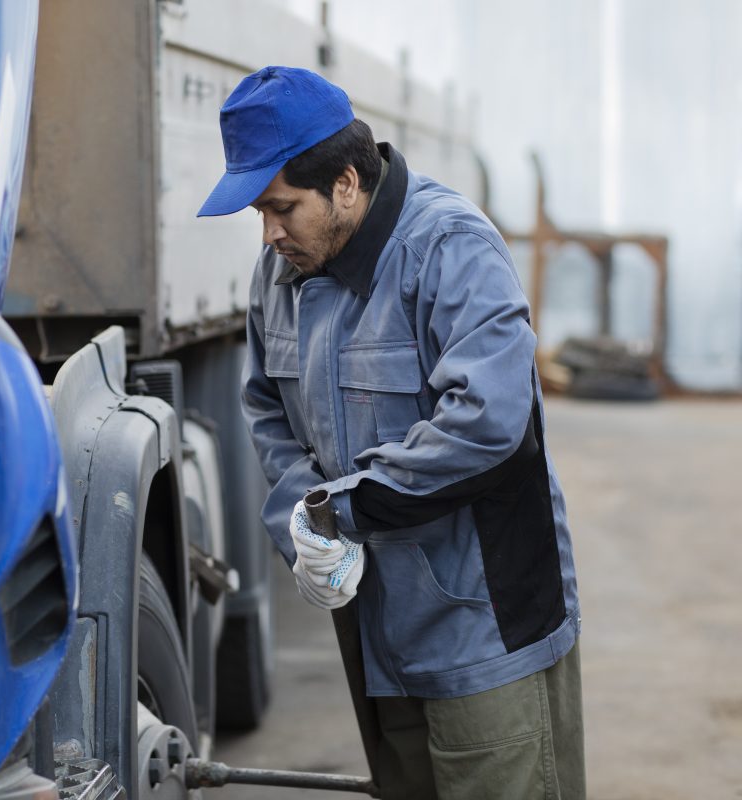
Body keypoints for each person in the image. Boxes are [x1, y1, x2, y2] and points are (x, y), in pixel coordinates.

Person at [198, 66, 585, 800]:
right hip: (379, 634)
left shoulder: (450, 247)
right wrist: (299, 528)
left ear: (346, 183)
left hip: (484, 627)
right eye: (258, 213)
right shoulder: (281, 270)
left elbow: (488, 425)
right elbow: (267, 411)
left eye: (283, 207)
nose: (270, 231)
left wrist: (335, 511)